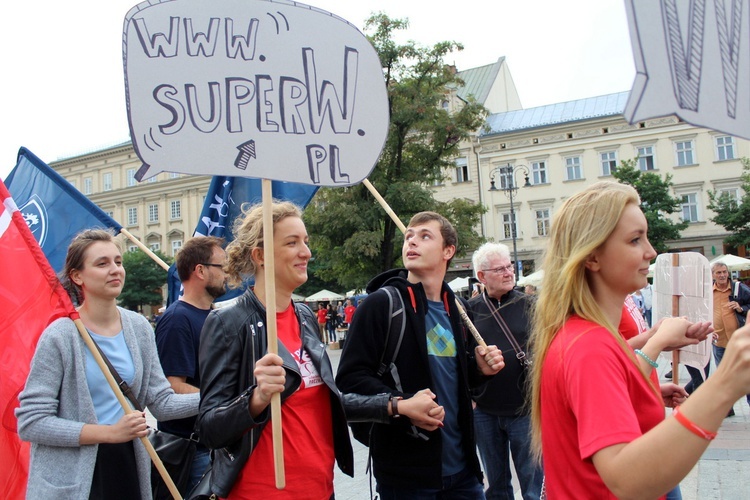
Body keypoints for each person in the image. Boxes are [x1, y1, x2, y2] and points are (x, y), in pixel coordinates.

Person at [196, 202, 440, 499]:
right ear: (260, 256)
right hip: (259, 492)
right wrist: (256, 398)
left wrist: (397, 406)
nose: (306, 252)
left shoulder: (305, 317)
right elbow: (209, 429)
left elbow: (329, 401)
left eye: (306, 242)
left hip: (321, 489)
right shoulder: (227, 322)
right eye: (292, 242)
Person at [527, 181, 750, 499]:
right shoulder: (589, 345)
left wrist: (642, 390)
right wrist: (726, 382)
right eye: (635, 240)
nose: (651, 251)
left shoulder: (586, 334)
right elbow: (627, 480)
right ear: (592, 257)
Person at [16, 229, 199, 498]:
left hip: (128, 465)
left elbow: (160, 402)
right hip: (74, 480)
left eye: (118, 261)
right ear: (77, 276)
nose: (115, 270)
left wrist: (221, 396)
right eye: (102, 264)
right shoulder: (60, 335)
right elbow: (32, 422)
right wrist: (108, 433)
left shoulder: (139, 327)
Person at [336, 211, 505, 499]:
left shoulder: (458, 309)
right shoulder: (380, 305)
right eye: (408, 236)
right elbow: (349, 382)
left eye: (425, 236)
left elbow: (458, 384)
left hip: (464, 473)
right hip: (406, 478)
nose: (411, 241)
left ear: (447, 251)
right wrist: (402, 406)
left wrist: (478, 371)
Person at [467, 242, 543, 500]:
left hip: (525, 410)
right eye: (499, 269)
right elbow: (463, 358)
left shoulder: (532, 305)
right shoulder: (469, 311)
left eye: (509, 266)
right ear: (482, 276)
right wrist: (470, 398)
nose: (508, 272)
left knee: (534, 484)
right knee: (496, 486)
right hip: (485, 412)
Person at [155, 235, 226, 490]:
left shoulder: (214, 315)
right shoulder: (177, 319)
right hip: (192, 449)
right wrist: (225, 401)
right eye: (221, 267)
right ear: (200, 271)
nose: (226, 273)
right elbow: (173, 387)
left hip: (214, 444)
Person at [711, 261, 750, 416]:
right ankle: (727, 408)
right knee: (724, 376)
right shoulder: (707, 291)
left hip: (739, 341)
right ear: (713, 275)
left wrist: (741, 308)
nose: (722, 275)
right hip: (719, 341)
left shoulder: (739, 289)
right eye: (718, 273)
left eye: (724, 272)